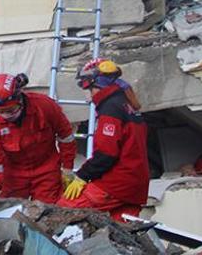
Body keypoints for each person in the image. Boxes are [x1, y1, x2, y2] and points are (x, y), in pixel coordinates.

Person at [58, 59, 149, 221]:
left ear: (96, 85)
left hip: (116, 184)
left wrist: (82, 176)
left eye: (87, 88)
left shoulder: (110, 109)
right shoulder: (126, 105)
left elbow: (107, 153)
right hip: (135, 186)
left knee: (61, 212)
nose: (87, 94)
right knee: (119, 234)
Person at [0, 73, 77, 204]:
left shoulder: (44, 106)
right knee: (9, 214)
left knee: (48, 213)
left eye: (11, 110)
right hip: (13, 176)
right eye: (1, 111)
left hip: (46, 171)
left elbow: (66, 137)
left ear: (20, 99)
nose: (7, 115)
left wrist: (67, 169)